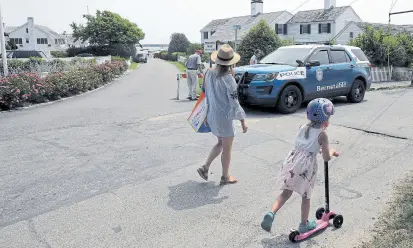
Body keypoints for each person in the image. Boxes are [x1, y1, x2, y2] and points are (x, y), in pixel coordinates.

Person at [260, 98, 340, 233]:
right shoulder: (322, 135)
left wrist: (317, 149)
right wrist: (331, 151)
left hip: (292, 162)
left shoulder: (303, 127)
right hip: (305, 168)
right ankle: (304, 224)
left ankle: (271, 213)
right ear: (325, 118)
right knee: (305, 196)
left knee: (286, 193)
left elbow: (306, 146)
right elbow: (326, 157)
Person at [196, 44, 248, 185]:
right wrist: (243, 120)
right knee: (227, 149)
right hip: (224, 118)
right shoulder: (228, 79)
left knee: (220, 143)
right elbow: (234, 102)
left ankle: (205, 167)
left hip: (212, 115)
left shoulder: (208, 73)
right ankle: (225, 176)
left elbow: (206, 94)